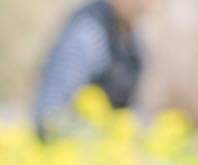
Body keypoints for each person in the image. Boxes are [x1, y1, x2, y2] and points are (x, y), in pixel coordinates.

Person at [33, 0, 155, 140]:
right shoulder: (87, 34)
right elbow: (49, 115)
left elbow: (127, 111)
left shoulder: (131, 42)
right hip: (73, 148)